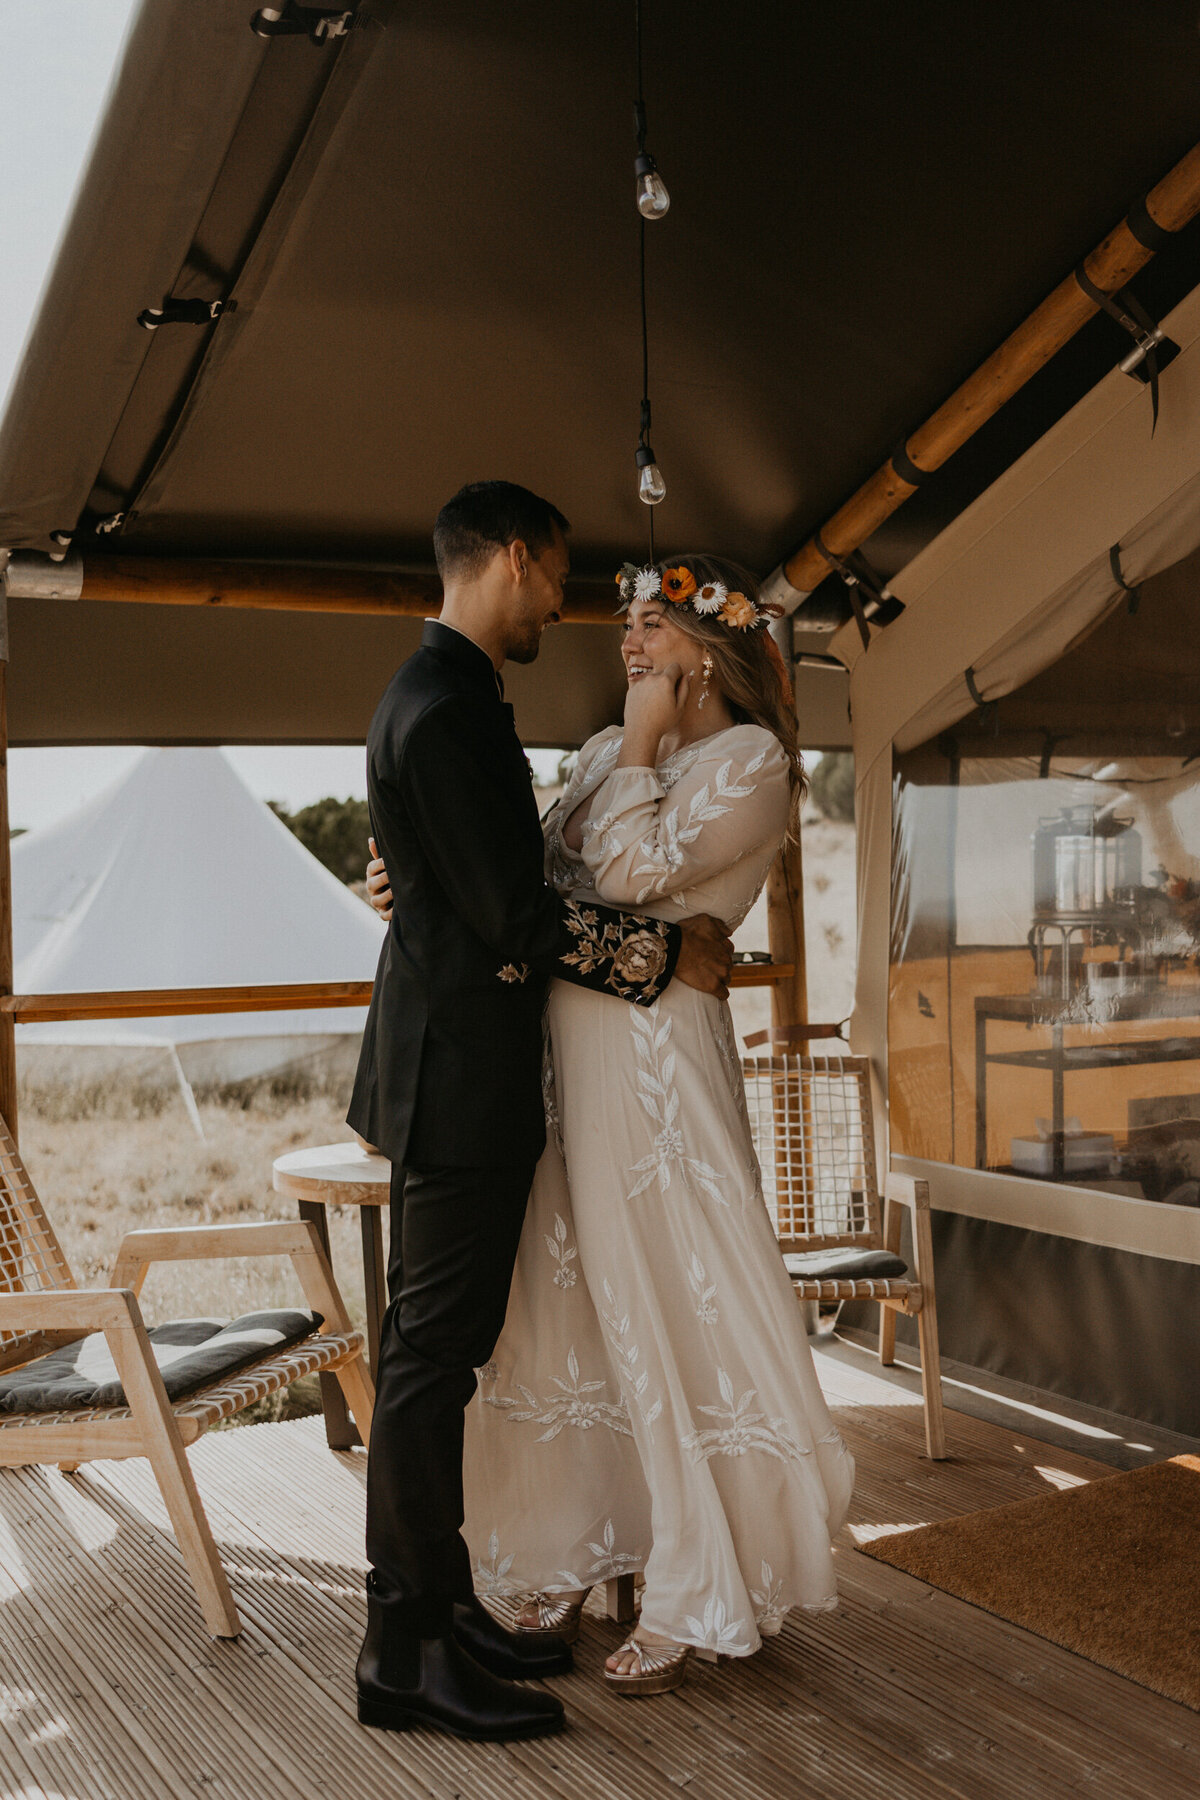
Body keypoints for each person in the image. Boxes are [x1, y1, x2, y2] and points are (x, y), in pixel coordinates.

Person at [367, 551, 854, 1700]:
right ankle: (579, 1545)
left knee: (663, 1298)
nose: (627, 643)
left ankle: (697, 1580)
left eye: (651, 626)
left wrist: (637, 746)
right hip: (560, 1059)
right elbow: (521, 884)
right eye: (625, 625)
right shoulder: (593, 755)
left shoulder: (757, 766)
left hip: (654, 1067)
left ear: (711, 646)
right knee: (568, 1303)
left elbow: (629, 874)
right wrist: (413, 880)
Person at [348, 482, 736, 1743]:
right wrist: (661, 955)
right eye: (559, 576)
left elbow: (455, 876)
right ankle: (400, 1649)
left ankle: (443, 1601)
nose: (563, 605)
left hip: (455, 1063)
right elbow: (516, 915)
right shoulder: (446, 710)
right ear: (514, 560)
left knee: (435, 1356)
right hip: (461, 1078)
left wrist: (409, 877)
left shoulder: (437, 699)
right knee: (427, 1365)